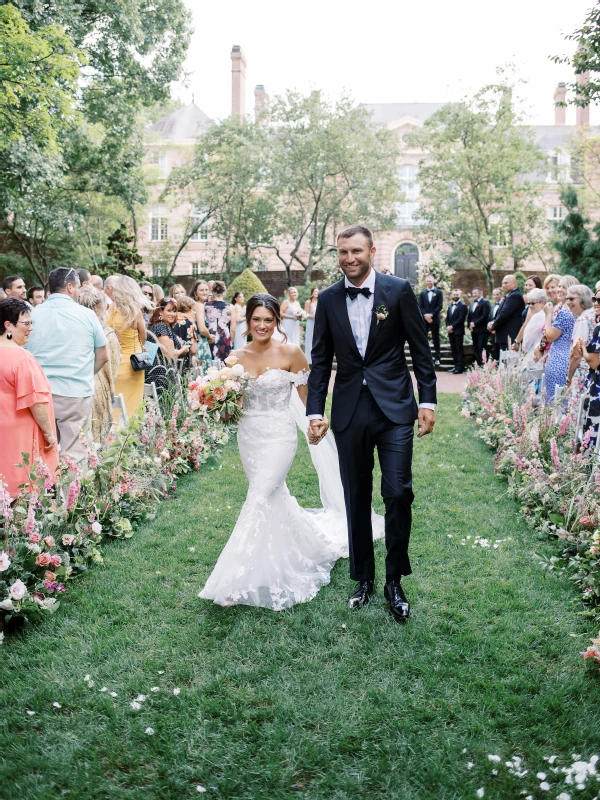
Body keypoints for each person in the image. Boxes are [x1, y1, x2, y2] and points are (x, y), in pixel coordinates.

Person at [199, 293, 385, 610]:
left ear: (277, 321)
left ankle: (232, 579)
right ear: (247, 320)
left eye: (268, 319)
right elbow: (236, 404)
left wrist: (315, 421)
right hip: (251, 437)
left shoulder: (291, 353)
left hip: (280, 435)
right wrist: (220, 404)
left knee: (259, 496)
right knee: (270, 496)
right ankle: (286, 552)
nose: (262, 325)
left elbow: (307, 397)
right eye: (256, 319)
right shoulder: (236, 357)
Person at [307, 225, 436, 622]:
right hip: (348, 410)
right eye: (343, 252)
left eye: (356, 251)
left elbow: (420, 348)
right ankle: (363, 576)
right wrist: (315, 410)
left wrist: (427, 399)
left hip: (395, 408)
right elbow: (319, 359)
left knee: (398, 493)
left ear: (372, 252)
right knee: (356, 496)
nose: (349, 258)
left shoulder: (397, 291)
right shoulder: (328, 299)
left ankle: (394, 579)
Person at [24, 268, 108, 464]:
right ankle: (73, 493)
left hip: (40, 393)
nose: (79, 291)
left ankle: (47, 493)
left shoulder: (31, 314)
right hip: (75, 391)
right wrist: (86, 373)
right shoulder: (87, 315)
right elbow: (103, 356)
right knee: (75, 453)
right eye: (78, 287)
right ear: (70, 287)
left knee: (43, 450)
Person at [0, 298, 58, 498]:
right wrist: (49, 433)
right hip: (22, 434)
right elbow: (36, 402)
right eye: (26, 323)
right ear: (8, 325)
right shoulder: (22, 358)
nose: (31, 328)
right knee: (26, 485)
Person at [77, 286, 122, 441]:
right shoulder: (107, 333)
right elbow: (113, 365)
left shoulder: (70, 331)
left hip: (72, 388)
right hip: (97, 387)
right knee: (97, 439)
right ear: (97, 307)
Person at [106, 276, 147, 418]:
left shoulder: (111, 308)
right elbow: (143, 336)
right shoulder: (135, 311)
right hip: (134, 364)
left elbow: (108, 333)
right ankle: (133, 435)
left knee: (118, 404)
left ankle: (116, 434)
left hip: (116, 364)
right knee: (134, 403)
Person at [540, 277, 576, 401]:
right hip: (567, 358)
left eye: (563, 287)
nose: (559, 290)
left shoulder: (565, 312)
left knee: (555, 402)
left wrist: (548, 314)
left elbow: (550, 336)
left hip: (559, 360)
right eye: (559, 286)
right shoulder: (575, 311)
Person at [147, 299, 191, 392]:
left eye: (174, 311)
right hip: (160, 374)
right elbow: (170, 354)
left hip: (163, 372)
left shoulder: (164, 326)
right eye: (169, 310)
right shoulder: (161, 327)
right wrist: (183, 350)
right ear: (160, 311)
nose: (172, 314)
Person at [487, 274, 524, 360]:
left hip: (509, 337)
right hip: (504, 336)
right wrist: (493, 322)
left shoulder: (514, 296)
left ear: (514, 283)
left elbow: (504, 315)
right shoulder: (511, 295)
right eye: (503, 283)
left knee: (508, 364)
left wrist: (493, 326)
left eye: (506, 283)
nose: (503, 285)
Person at [565, 284, 595, 390]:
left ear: (583, 299)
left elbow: (576, 355)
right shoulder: (594, 316)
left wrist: (568, 378)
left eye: (571, 299)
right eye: (567, 298)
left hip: (583, 373)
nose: (568, 302)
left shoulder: (582, 320)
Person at [205, 281, 235, 362]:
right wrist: (230, 341)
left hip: (209, 336)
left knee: (210, 363)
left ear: (212, 291)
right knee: (224, 363)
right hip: (224, 337)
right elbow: (233, 329)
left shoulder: (205, 306)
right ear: (224, 292)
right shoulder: (231, 307)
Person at [418, 275, 443, 366]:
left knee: (436, 339)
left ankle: (437, 358)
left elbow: (439, 305)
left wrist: (431, 315)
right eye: (427, 281)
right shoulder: (422, 293)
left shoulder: (438, 292)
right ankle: (425, 358)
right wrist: (426, 316)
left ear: (433, 281)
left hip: (434, 319)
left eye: (430, 281)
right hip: (425, 320)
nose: (428, 282)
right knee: (424, 339)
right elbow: (420, 306)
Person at [520, 289, 547, 370]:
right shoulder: (545, 314)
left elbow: (528, 339)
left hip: (532, 354)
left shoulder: (538, 316)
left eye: (533, 303)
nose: (530, 306)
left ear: (542, 303)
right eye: (529, 303)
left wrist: (523, 352)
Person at [190, 280, 214, 369]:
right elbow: (202, 329)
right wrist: (210, 336)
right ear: (195, 292)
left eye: (206, 290)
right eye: (201, 290)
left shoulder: (193, 304)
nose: (205, 292)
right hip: (201, 343)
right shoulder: (199, 305)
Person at [173, 296, 198, 373]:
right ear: (186, 309)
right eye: (193, 310)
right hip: (184, 361)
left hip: (172, 360)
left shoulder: (172, 320)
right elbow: (193, 350)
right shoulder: (189, 322)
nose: (195, 312)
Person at [445, 288, 468, 373]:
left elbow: (461, 319)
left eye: (457, 295)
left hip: (458, 331)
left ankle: (460, 367)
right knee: (453, 349)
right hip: (450, 331)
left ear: (460, 295)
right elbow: (447, 318)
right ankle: (455, 366)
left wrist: (452, 327)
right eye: (454, 295)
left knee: (459, 349)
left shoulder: (463, 306)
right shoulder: (450, 305)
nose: (455, 296)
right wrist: (448, 326)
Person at [467, 286, 490, 366]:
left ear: (481, 293)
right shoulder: (472, 303)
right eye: (473, 293)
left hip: (482, 330)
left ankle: (484, 366)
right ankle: (478, 365)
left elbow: (484, 316)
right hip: (474, 331)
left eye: (475, 293)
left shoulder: (485, 302)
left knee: (482, 348)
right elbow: (469, 315)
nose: (474, 295)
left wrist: (475, 323)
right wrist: (469, 324)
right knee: (476, 349)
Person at [304, 287, 319, 364]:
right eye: (314, 291)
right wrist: (313, 316)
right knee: (310, 339)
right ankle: (309, 359)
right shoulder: (308, 302)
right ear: (312, 293)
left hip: (318, 322)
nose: (316, 293)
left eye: (317, 291)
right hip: (311, 322)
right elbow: (306, 313)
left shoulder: (320, 301)